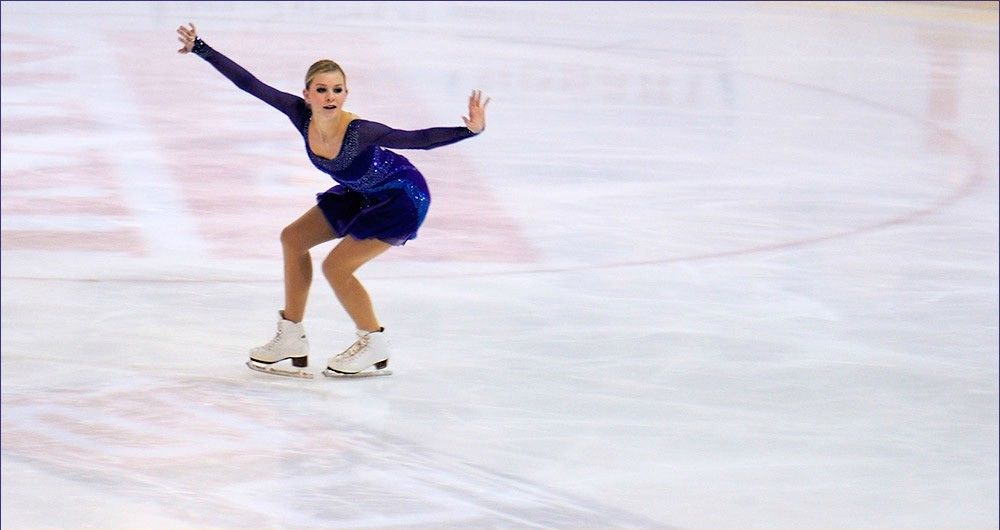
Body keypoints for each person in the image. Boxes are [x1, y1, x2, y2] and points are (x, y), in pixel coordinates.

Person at [176, 22, 489, 378]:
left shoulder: (361, 131)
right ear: (307, 94)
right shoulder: (300, 115)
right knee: (293, 239)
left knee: (336, 267)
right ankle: (291, 336)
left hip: (400, 198)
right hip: (361, 193)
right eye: (322, 90)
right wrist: (201, 48)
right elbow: (251, 84)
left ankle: (374, 342)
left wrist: (469, 130)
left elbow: (418, 139)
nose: (330, 97)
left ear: (345, 94)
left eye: (337, 90)